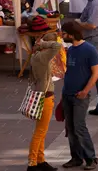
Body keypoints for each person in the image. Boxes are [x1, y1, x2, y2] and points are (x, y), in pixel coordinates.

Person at [60, 21, 98, 170]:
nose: (62, 36)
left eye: (64, 34)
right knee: (70, 128)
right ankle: (76, 157)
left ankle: (91, 157)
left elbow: (96, 73)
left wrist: (84, 91)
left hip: (80, 96)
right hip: (67, 93)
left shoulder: (89, 50)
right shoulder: (69, 50)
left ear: (71, 34)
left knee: (79, 127)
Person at [26, 32, 61, 171]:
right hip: (46, 96)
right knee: (40, 131)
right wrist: (45, 44)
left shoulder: (36, 56)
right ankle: (32, 162)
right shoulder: (43, 56)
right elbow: (57, 46)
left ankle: (40, 160)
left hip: (40, 93)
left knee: (41, 131)